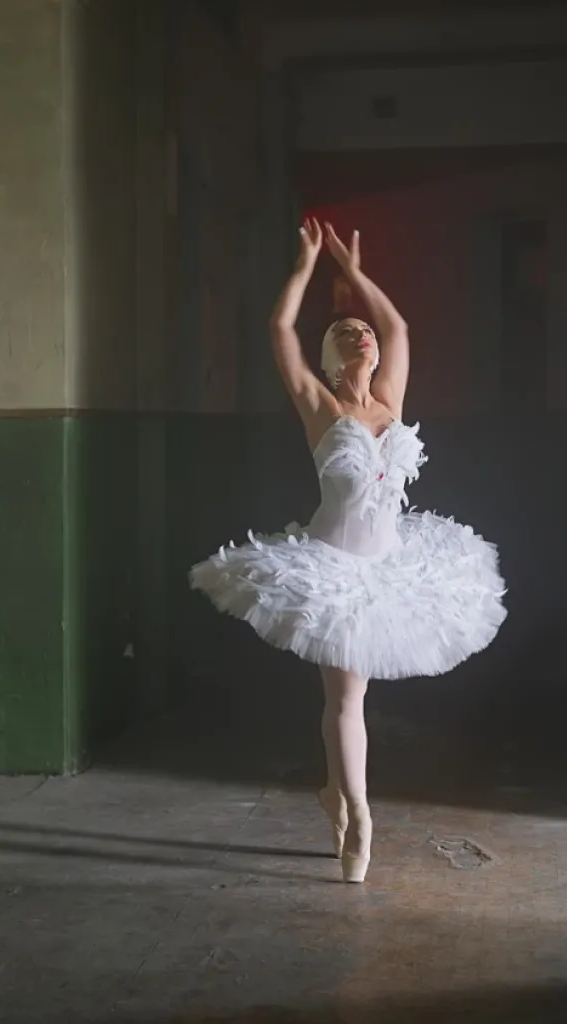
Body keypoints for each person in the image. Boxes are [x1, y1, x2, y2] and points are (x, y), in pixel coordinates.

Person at [190, 219, 507, 884]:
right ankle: (359, 814)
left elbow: (400, 332)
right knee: (345, 700)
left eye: (360, 331)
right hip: (332, 570)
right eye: (344, 333)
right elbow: (281, 333)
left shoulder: (390, 402)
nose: (361, 335)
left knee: (352, 698)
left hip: (394, 565)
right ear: (331, 362)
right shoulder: (318, 406)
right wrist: (307, 265)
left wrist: (356, 274)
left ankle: (336, 795)